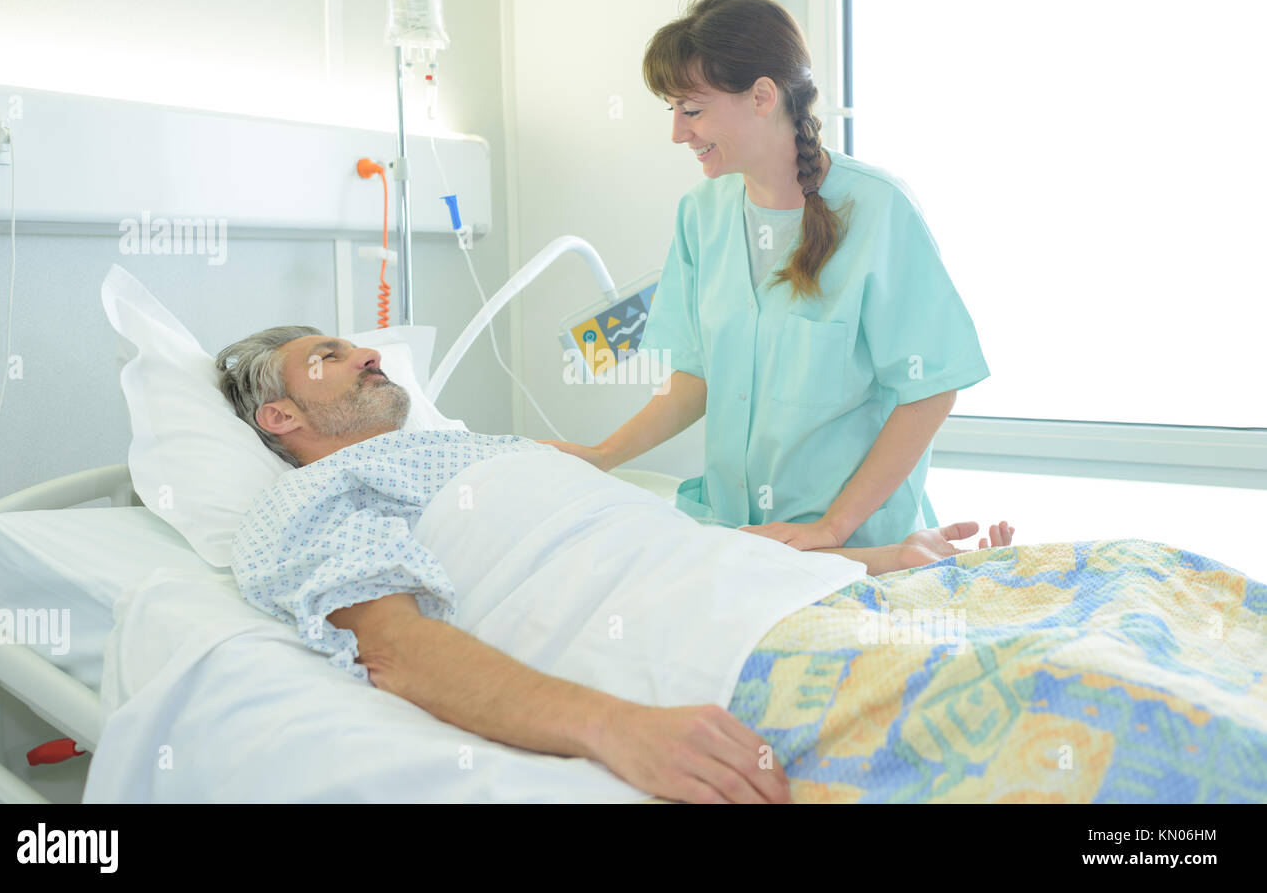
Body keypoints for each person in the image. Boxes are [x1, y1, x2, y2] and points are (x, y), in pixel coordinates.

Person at [215, 327, 1012, 804]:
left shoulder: (492, 447)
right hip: (723, 649)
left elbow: (669, 540)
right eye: (330, 353)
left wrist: (887, 561)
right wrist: (613, 725)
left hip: (795, 595)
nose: (366, 352)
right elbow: (394, 648)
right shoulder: (316, 497)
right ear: (279, 415)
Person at [544, 0, 990, 553]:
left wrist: (833, 527)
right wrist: (602, 455)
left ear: (762, 96)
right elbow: (696, 379)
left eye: (694, 109)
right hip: (741, 540)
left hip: (857, 547)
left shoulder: (878, 211)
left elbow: (929, 390)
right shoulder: (701, 215)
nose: (679, 134)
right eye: (673, 111)